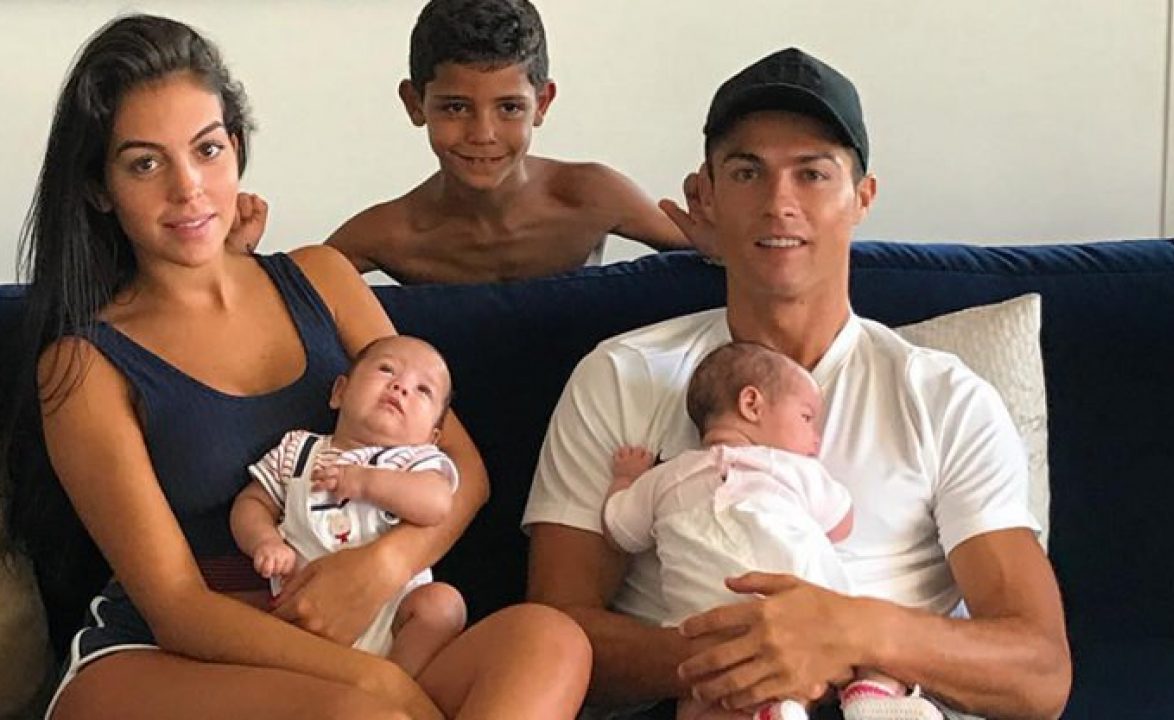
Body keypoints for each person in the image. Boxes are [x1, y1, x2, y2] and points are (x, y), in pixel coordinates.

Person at [11, 14, 589, 719]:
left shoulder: (323, 277)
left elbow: (461, 467)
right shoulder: (83, 365)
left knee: (549, 641)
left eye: (207, 149)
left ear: (237, 147)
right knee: (360, 715)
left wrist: (380, 569)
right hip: (168, 660)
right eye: (145, 164)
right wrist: (381, 684)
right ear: (99, 187)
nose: (189, 189)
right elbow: (178, 607)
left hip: (361, 622)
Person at [524, 47, 1071, 720]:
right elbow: (551, 634)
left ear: (862, 198)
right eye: (747, 172)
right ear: (705, 197)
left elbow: (1040, 671)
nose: (779, 203)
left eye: (812, 174)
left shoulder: (942, 398)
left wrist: (848, 632)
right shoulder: (620, 375)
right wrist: (744, 654)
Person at [603, 342, 937, 720]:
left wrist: (626, 479)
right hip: (818, 628)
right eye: (807, 418)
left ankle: (775, 713)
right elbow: (841, 523)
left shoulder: (665, 479)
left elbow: (619, 530)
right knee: (877, 642)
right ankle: (869, 693)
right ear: (752, 404)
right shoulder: (792, 470)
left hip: (714, 642)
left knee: (705, 703)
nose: (816, 439)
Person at [321, 0, 711, 284]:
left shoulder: (591, 196)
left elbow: (719, 257)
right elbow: (292, 294)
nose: (482, 134)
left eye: (509, 108)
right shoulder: (390, 234)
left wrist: (726, 230)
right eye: (456, 107)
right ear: (414, 103)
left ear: (542, 103)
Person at [231, 335, 467, 679]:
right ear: (339, 392)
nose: (401, 387)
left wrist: (364, 482)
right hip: (308, 613)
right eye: (386, 369)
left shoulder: (417, 462)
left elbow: (437, 504)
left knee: (443, 606)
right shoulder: (298, 450)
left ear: (431, 437)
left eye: (423, 390)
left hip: (395, 615)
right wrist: (264, 541)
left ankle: (397, 684)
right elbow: (252, 502)